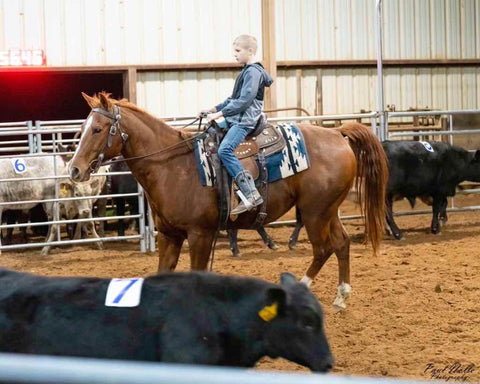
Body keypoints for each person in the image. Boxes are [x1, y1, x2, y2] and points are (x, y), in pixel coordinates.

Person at [199, 35, 274, 215]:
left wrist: (219, 114)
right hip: (237, 118)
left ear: (250, 51)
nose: (235, 55)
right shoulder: (247, 71)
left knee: (225, 150)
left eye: (238, 51)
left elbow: (243, 101)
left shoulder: (253, 72)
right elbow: (233, 99)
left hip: (245, 121)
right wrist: (213, 109)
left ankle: (250, 192)